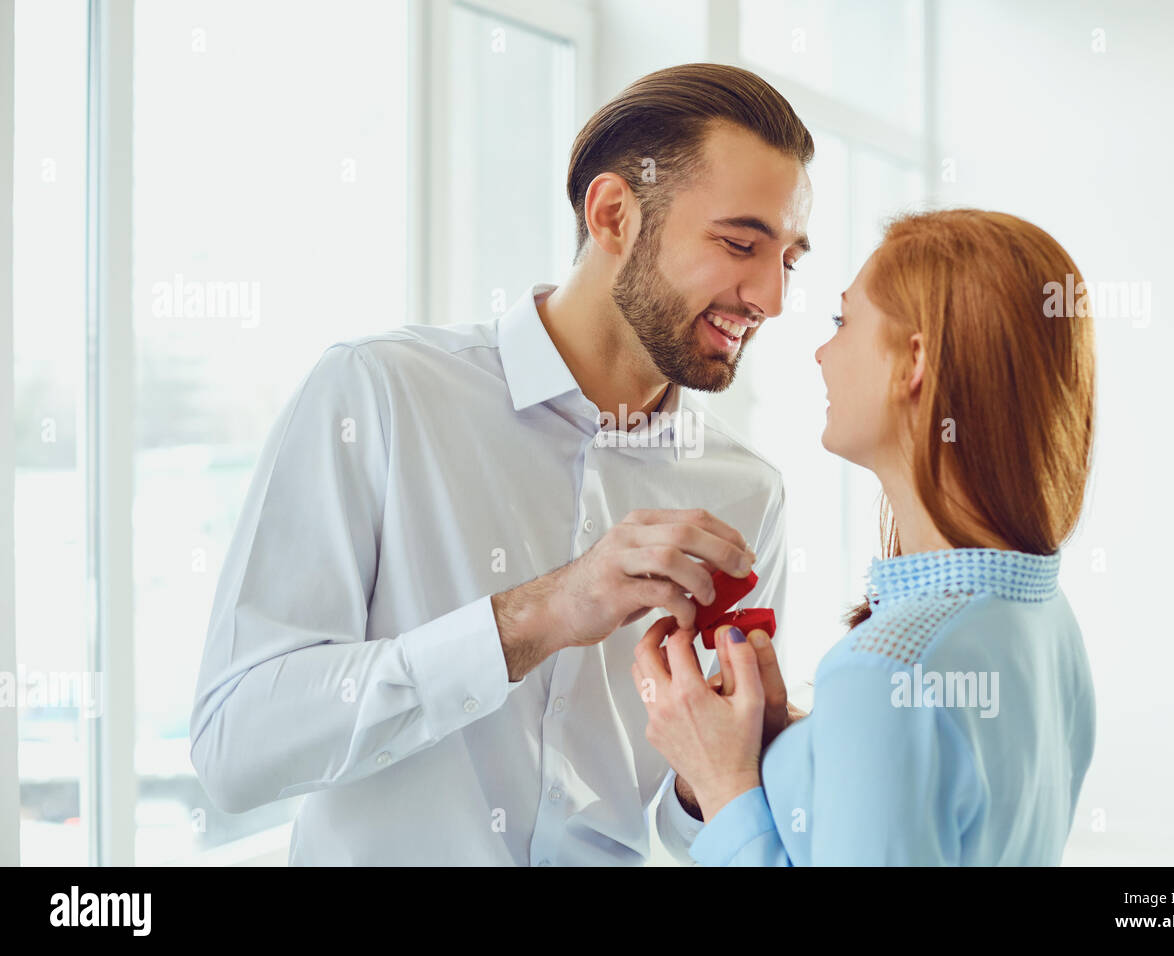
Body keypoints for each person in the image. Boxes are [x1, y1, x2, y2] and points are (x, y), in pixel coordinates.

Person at [189, 63, 814, 865]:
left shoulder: (747, 492)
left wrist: (717, 774)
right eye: (739, 243)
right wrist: (539, 615)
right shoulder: (381, 394)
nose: (771, 296)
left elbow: (680, 821)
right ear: (616, 213)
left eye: (790, 260)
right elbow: (237, 744)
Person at [634, 208, 1098, 865]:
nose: (823, 352)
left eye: (843, 321)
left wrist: (720, 781)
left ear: (914, 361)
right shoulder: (1045, 618)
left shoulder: (885, 669)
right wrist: (792, 744)